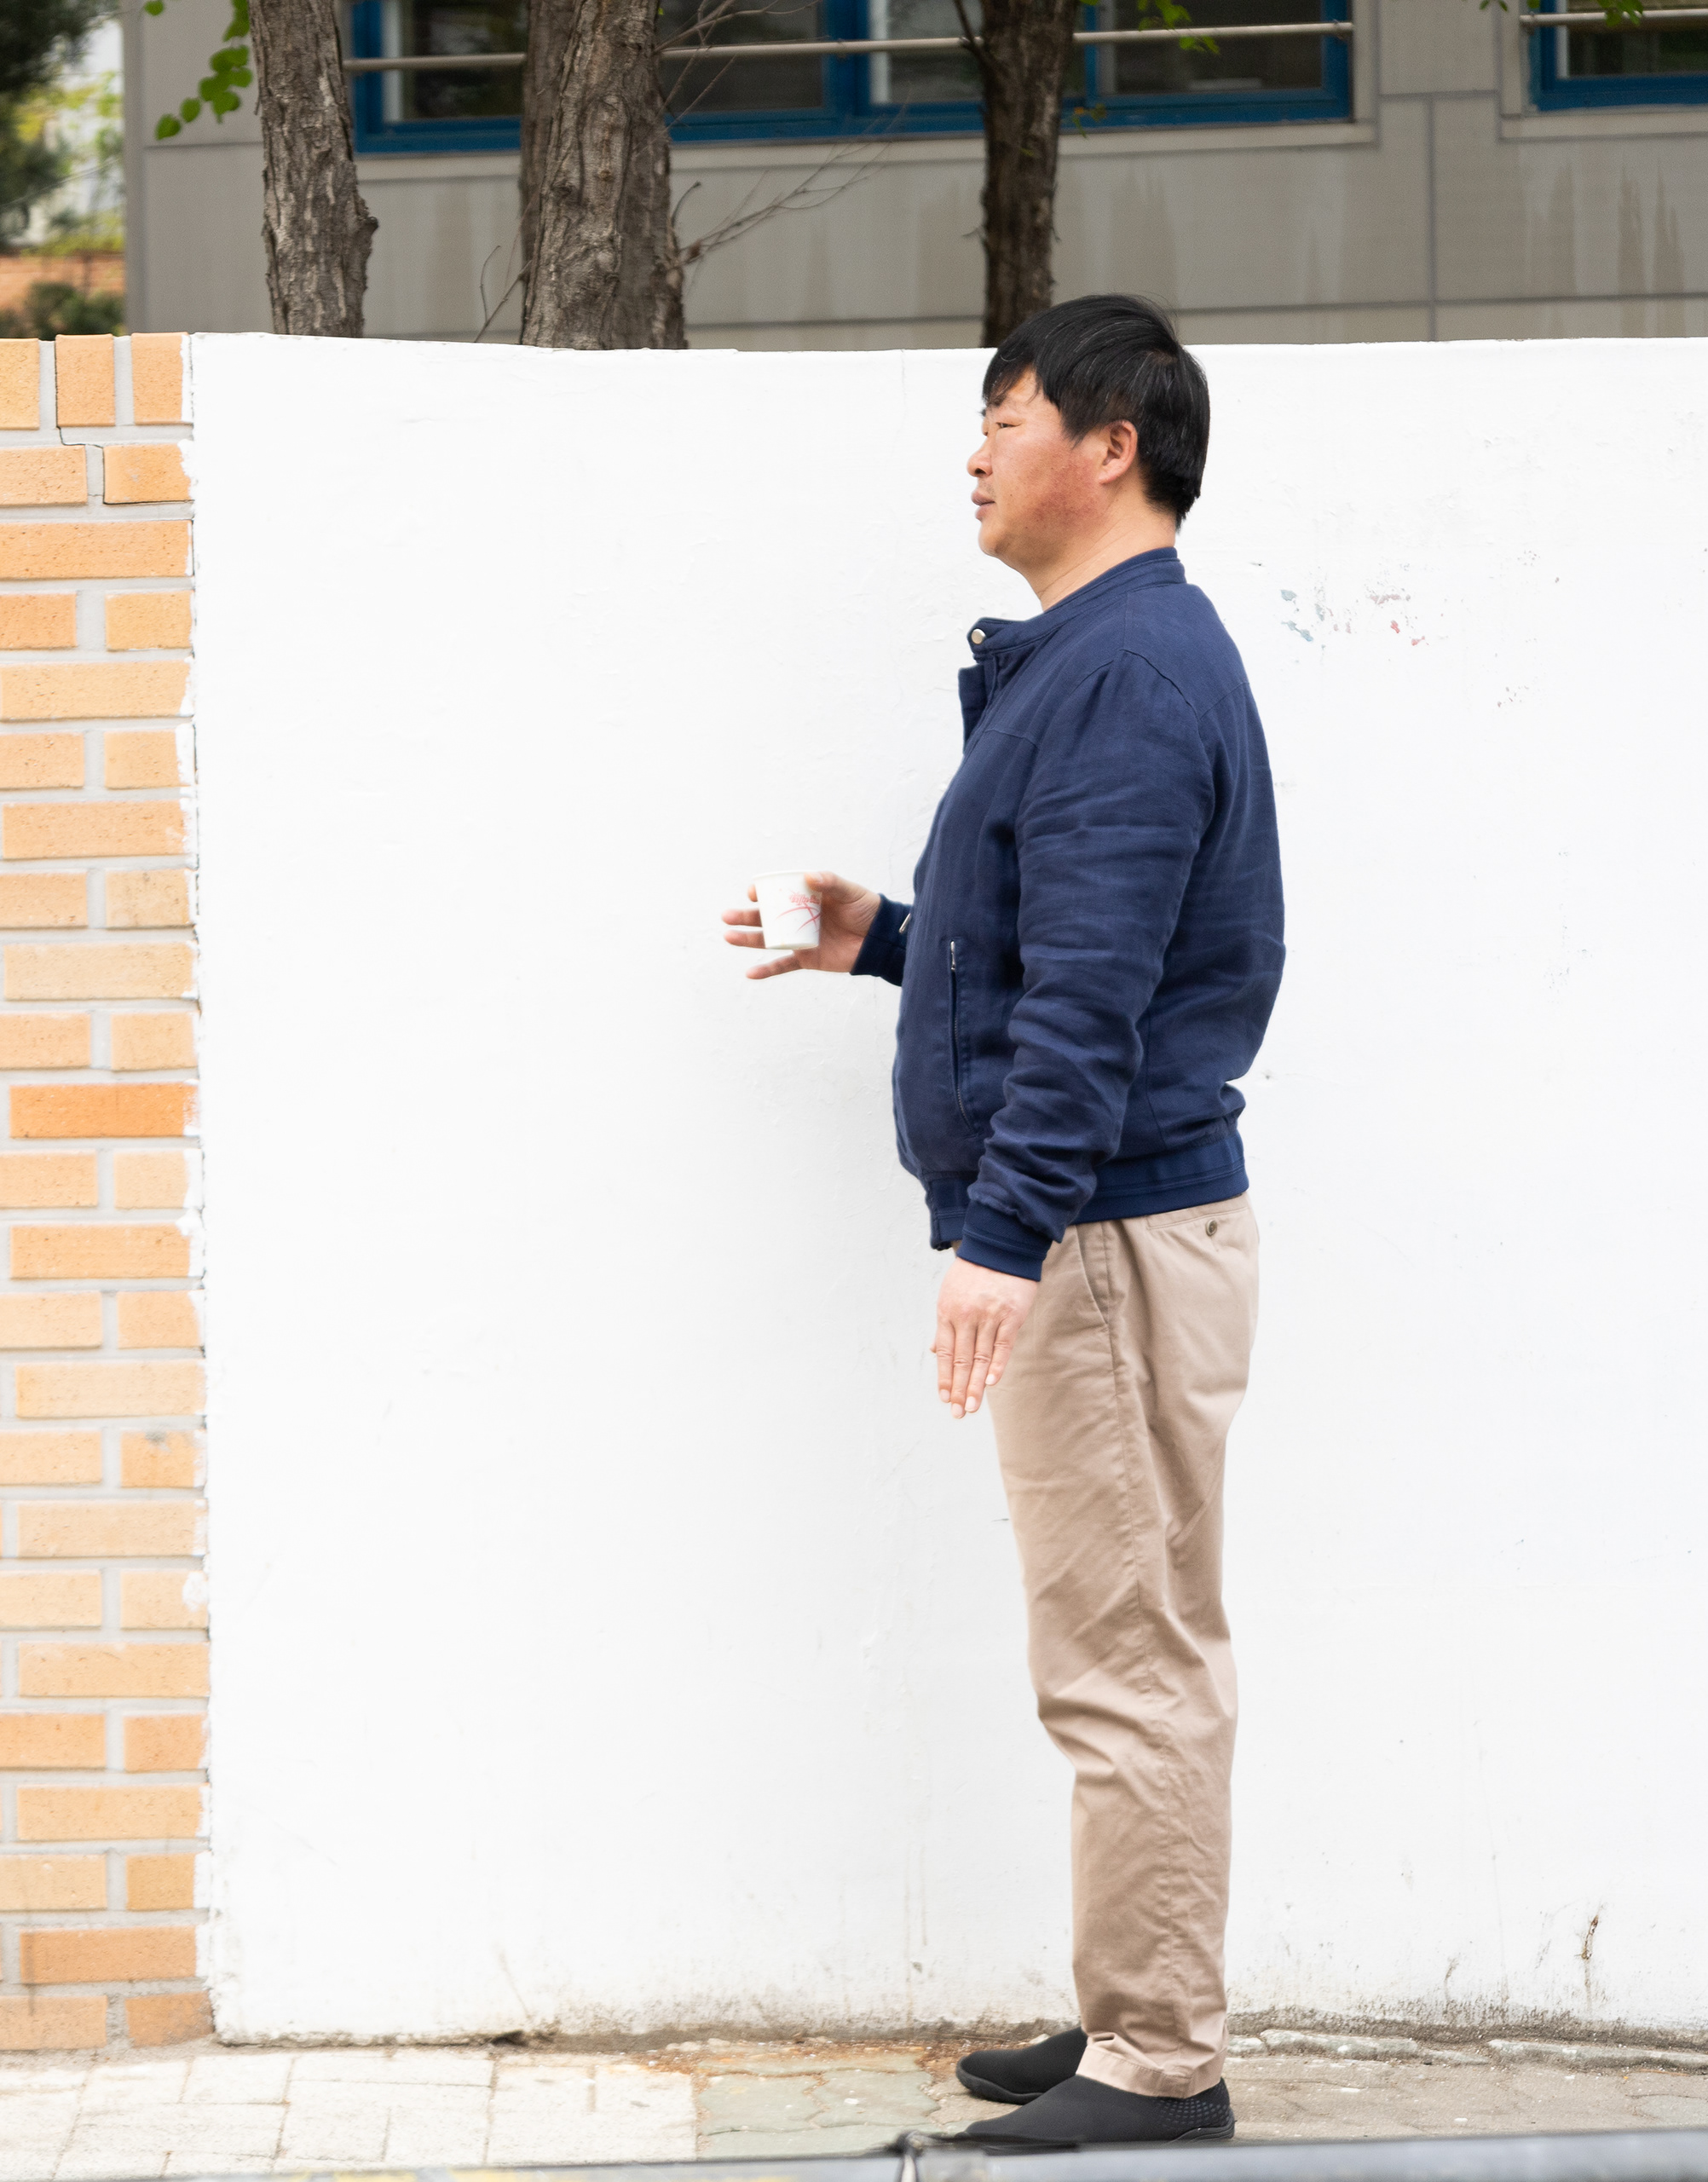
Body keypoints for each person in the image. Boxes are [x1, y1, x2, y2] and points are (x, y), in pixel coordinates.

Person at [722, 294, 1285, 2148]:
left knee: (1126, 1660)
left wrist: (1007, 1232)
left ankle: (1158, 2064)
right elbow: (1060, 946)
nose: (975, 451)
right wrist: (882, 936)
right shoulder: (1106, 657)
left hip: (1103, 1241)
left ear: (1110, 446)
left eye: (1009, 414)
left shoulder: (1124, 672)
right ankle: (1137, 2011)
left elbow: (1096, 999)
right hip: (1107, 1229)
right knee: (1130, 1642)